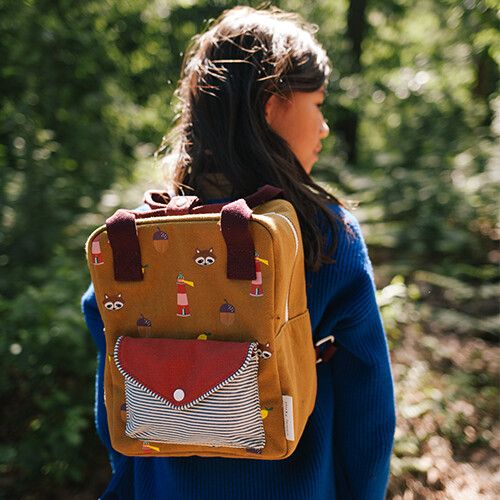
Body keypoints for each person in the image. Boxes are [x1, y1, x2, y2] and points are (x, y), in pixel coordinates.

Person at [81, 5, 396, 499]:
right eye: (317, 104)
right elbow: (368, 404)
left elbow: (112, 387)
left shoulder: (147, 234)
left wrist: (132, 479)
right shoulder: (324, 236)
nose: (324, 127)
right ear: (272, 105)